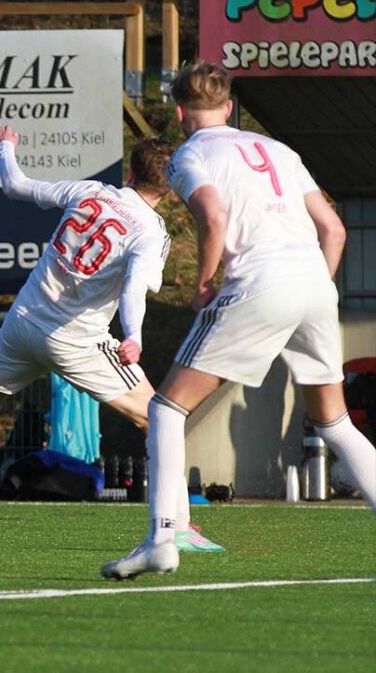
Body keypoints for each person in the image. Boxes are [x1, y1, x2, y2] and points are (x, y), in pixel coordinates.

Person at [0, 126, 223, 551]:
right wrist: (134, 335)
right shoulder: (151, 232)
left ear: (131, 172)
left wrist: (5, 148)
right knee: (160, 414)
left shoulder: (90, 193)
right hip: (76, 339)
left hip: (23, 322)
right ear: (171, 187)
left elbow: (16, 185)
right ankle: (177, 526)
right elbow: (134, 288)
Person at [100, 61, 376, 580]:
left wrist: (206, 281)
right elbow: (334, 230)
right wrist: (313, 286)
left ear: (180, 113)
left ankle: (161, 538)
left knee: (165, 407)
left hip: (259, 282)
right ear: (228, 108)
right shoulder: (279, 150)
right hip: (316, 282)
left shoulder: (191, 154)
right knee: (334, 422)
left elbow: (214, 214)